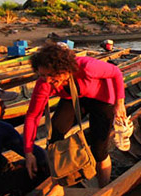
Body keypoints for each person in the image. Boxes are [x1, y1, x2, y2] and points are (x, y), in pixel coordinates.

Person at [23, 44, 127, 188]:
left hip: (102, 99)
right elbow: (32, 117)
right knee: (54, 139)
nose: (47, 80)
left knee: (98, 150)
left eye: (52, 75)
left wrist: (119, 103)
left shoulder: (87, 66)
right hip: (73, 97)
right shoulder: (44, 83)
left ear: (65, 70)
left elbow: (116, 72)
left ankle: (103, 186)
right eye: (42, 75)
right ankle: (58, 185)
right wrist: (28, 152)